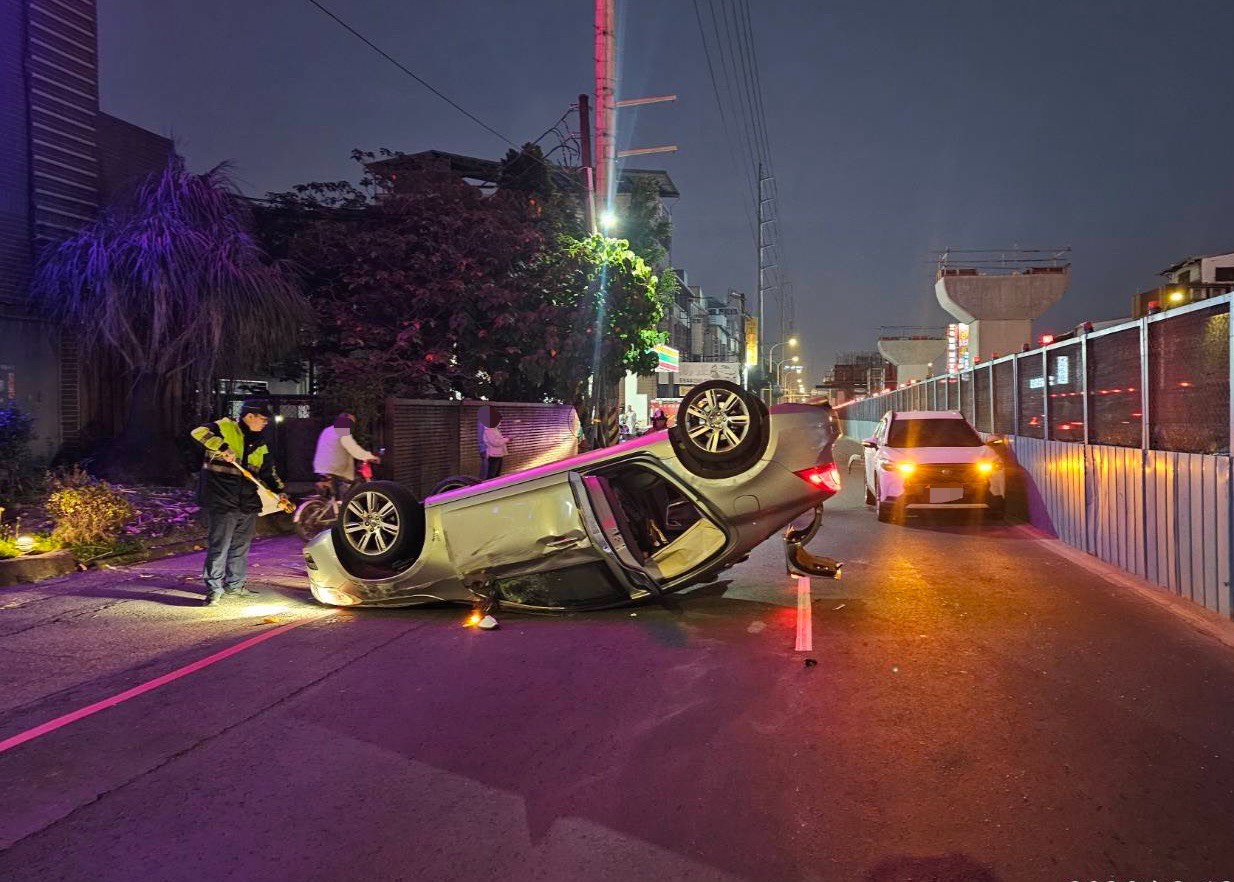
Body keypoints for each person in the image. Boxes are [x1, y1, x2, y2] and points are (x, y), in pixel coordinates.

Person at [190, 399, 288, 606]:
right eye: (262, 419)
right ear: (249, 416)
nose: (265, 423)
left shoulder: (260, 444)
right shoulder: (223, 428)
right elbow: (197, 432)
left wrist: (280, 493)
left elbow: (268, 472)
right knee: (220, 546)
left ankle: (235, 585)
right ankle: (214, 589)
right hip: (222, 498)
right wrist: (222, 447)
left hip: (248, 502)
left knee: (240, 548)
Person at [312, 412, 380, 498]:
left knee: (334, 495)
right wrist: (370, 457)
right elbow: (353, 449)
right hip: (335, 467)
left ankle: (333, 500)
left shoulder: (327, 430)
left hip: (320, 466)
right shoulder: (342, 431)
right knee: (353, 482)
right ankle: (345, 502)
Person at [481, 411, 510, 479]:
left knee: (496, 473)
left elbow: (497, 439)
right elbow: (495, 442)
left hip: (498, 454)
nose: (500, 422)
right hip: (494, 454)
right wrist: (507, 439)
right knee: (492, 474)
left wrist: (504, 438)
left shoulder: (494, 429)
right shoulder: (489, 429)